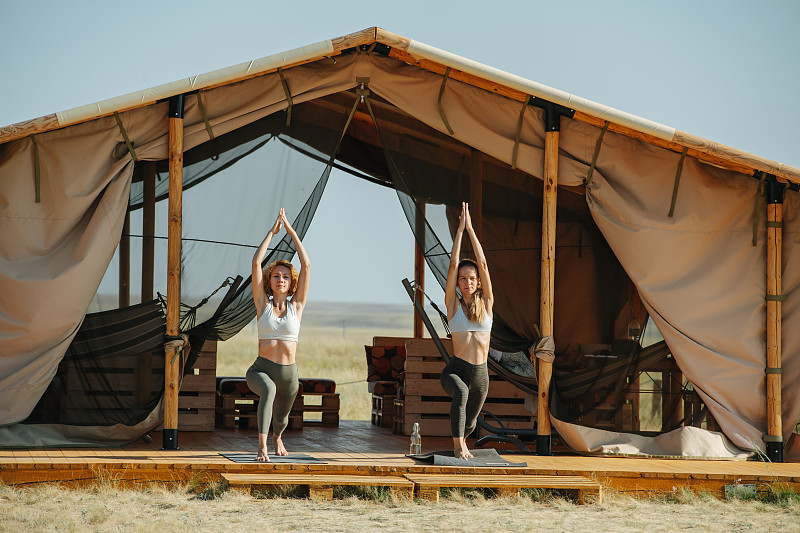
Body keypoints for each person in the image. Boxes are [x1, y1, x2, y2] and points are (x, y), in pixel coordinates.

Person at [247, 208, 310, 462]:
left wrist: (292, 232)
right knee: (268, 389)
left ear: (290, 282)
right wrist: (272, 233)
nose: (280, 279)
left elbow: (306, 265)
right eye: (275, 276)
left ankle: (277, 437)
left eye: (285, 276)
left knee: (282, 418)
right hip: (260, 370)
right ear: (269, 281)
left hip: (289, 375)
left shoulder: (297, 307)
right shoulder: (262, 305)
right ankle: (262, 447)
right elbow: (255, 263)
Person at [440, 202, 494, 460]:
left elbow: (482, 262)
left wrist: (471, 229)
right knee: (460, 393)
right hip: (457, 369)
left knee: (470, 424)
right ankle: (458, 446)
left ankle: (462, 439)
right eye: (463, 279)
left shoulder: (488, 305)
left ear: (479, 282)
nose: (467, 281)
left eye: (472, 278)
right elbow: (452, 265)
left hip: (481, 375)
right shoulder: (452, 305)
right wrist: (459, 231)